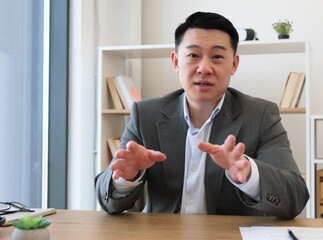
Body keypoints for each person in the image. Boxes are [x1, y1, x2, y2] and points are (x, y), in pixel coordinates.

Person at [95, 11, 309, 219]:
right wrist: (125, 177)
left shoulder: (260, 116)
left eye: (217, 57)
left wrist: (250, 174)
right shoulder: (145, 115)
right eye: (193, 55)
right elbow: (107, 201)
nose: (204, 68)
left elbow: (295, 198)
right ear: (176, 62)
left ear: (233, 64)